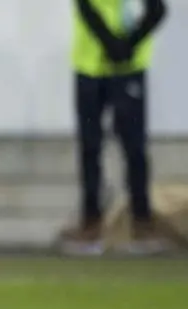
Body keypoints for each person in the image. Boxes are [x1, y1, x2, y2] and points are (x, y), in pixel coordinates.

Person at [60, 0, 168, 255]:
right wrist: (109, 42)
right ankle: (91, 223)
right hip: (89, 67)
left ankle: (141, 224)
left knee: (134, 148)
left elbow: (157, 10)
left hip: (129, 67)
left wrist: (129, 44)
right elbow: (84, 6)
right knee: (89, 147)